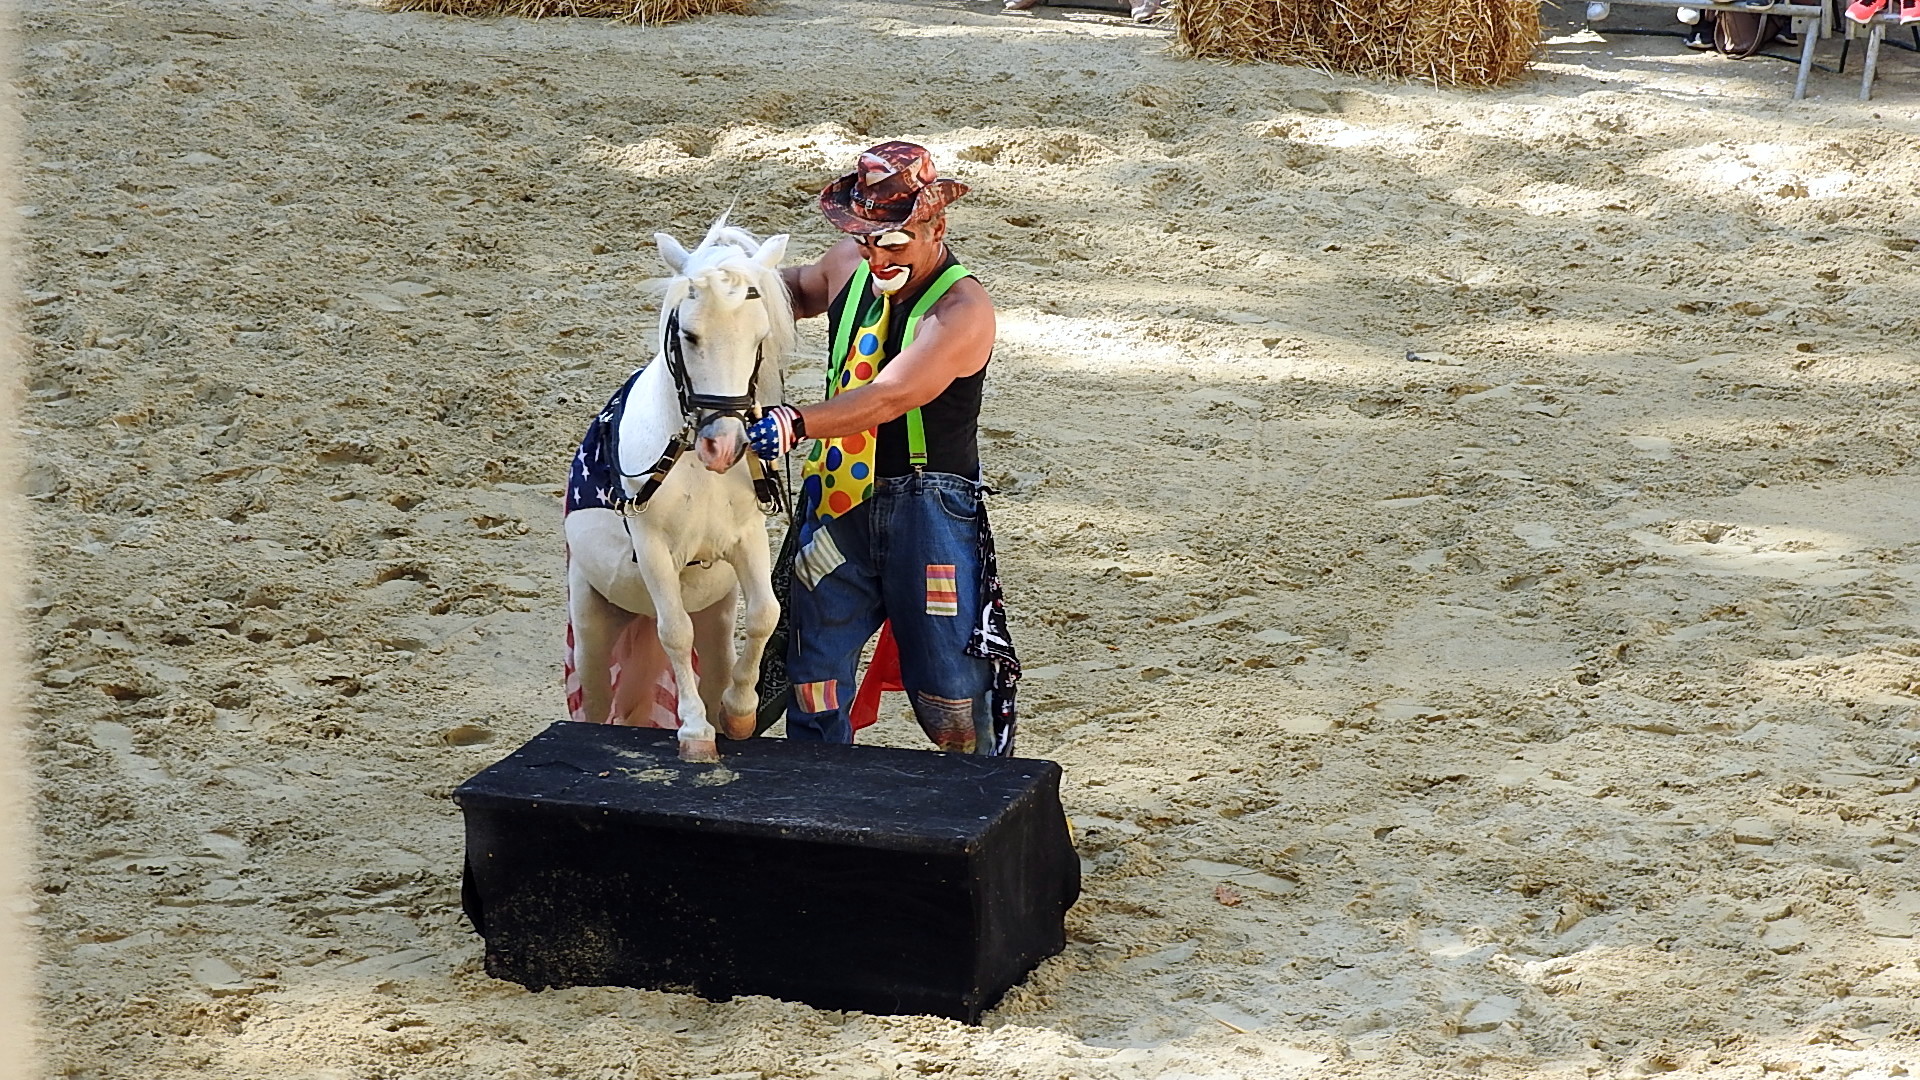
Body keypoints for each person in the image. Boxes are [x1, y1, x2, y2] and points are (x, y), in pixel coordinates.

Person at [747, 141, 1019, 756]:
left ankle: (979, 790)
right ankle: (815, 786)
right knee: (813, 668)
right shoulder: (850, 262)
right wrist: (728, 288)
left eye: (894, 241)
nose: (877, 256)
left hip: (926, 509)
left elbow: (888, 397)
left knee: (949, 685)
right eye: (867, 240)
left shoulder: (961, 309)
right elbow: (793, 290)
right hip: (838, 494)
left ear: (936, 228)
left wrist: (795, 422)